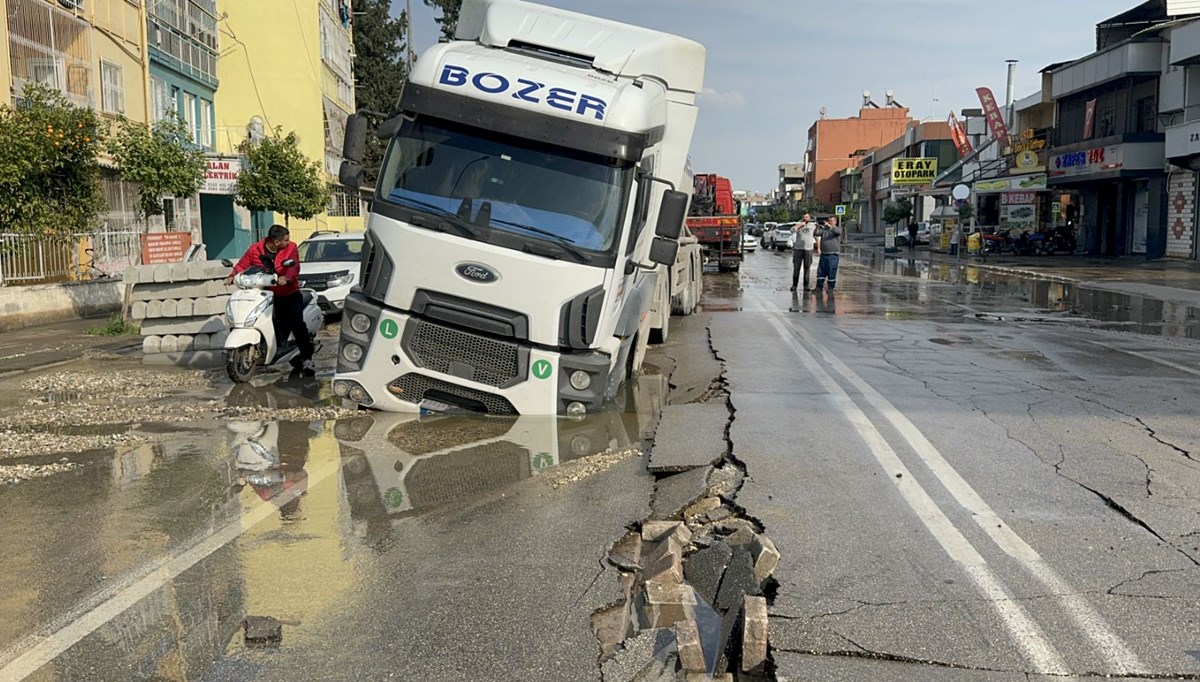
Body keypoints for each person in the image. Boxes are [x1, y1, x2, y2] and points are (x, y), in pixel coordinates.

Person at [225, 225, 315, 374]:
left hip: (288, 293)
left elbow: (294, 266)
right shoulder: (256, 249)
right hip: (266, 294)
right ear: (277, 242)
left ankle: (307, 358)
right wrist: (232, 275)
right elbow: (243, 264)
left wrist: (287, 278)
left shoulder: (291, 248)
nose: (289, 241)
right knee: (272, 322)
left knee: (296, 322)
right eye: (286, 240)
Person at [814, 216, 842, 293]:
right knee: (821, 272)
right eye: (828, 221)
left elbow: (838, 232)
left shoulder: (837, 229)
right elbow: (816, 233)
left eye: (831, 221)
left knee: (831, 271)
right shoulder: (824, 230)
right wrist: (817, 226)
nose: (829, 222)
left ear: (835, 222)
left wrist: (830, 226)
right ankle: (819, 287)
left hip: (833, 255)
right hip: (824, 254)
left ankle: (830, 288)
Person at [790, 214, 816, 291]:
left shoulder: (812, 226)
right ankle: (794, 285)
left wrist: (819, 248)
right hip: (798, 249)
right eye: (804, 217)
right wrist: (801, 224)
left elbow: (817, 235)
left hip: (808, 249)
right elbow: (792, 230)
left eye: (807, 217)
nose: (805, 218)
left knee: (807, 267)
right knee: (796, 267)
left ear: (809, 218)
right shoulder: (798, 225)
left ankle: (806, 285)